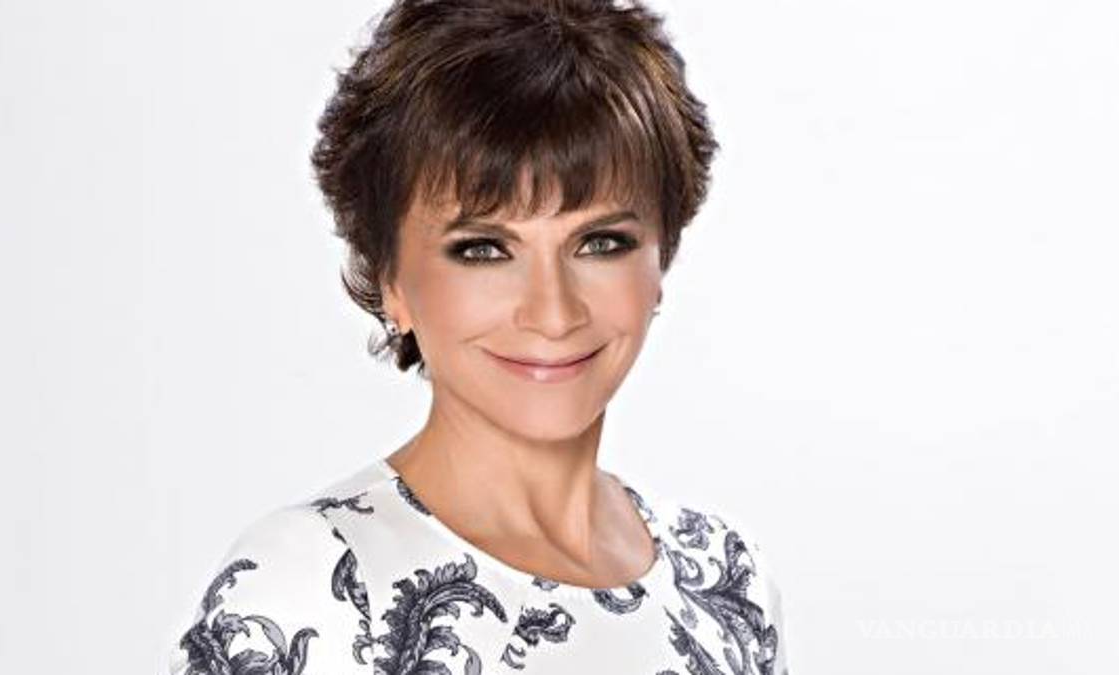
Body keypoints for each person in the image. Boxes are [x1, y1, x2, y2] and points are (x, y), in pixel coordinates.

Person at [167, 1, 790, 673]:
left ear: (660, 259)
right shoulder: (311, 588)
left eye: (601, 242)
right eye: (484, 249)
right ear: (391, 279)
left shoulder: (723, 576)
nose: (553, 313)